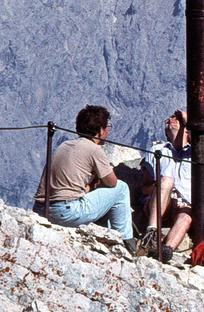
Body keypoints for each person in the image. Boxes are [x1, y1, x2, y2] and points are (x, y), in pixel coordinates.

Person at [35, 105, 135, 252]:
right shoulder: (94, 149)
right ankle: (126, 243)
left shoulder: (64, 145)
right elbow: (112, 182)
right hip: (65, 212)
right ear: (101, 130)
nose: (108, 130)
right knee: (121, 188)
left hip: (41, 209)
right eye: (107, 126)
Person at [142, 108, 194, 264]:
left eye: (177, 118)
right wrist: (161, 186)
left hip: (182, 205)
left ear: (186, 131)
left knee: (186, 217)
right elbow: (144, 187)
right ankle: (152, 234)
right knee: (167, 181)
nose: (171, 119)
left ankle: (166, 250)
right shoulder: (156, 150)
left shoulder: (194, 153)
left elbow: (199, 139)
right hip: (159, 202)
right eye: (169, 118)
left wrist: (187, 119)